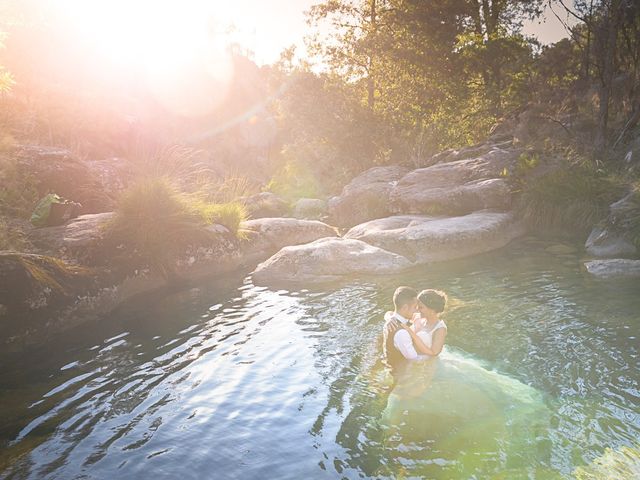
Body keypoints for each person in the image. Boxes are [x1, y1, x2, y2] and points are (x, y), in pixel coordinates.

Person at [382, 286, 436, 370]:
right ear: (405, 308)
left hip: (390, 361)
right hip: (399, 371)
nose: (416, 310)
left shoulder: (391, 321)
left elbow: (389, 313)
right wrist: (433, 355)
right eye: (415, 307)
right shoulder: (401, 333)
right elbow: (414, 359)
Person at [402, 289, 448, 357]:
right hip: (410, 356)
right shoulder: (418, 317)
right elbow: (394, 313)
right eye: (417, 306)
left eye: (421, 307)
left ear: (432, 310)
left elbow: (434, 353)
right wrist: (391, 319)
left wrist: (411, 333)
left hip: (425, 364)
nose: (417, 309)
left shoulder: (440, 329)